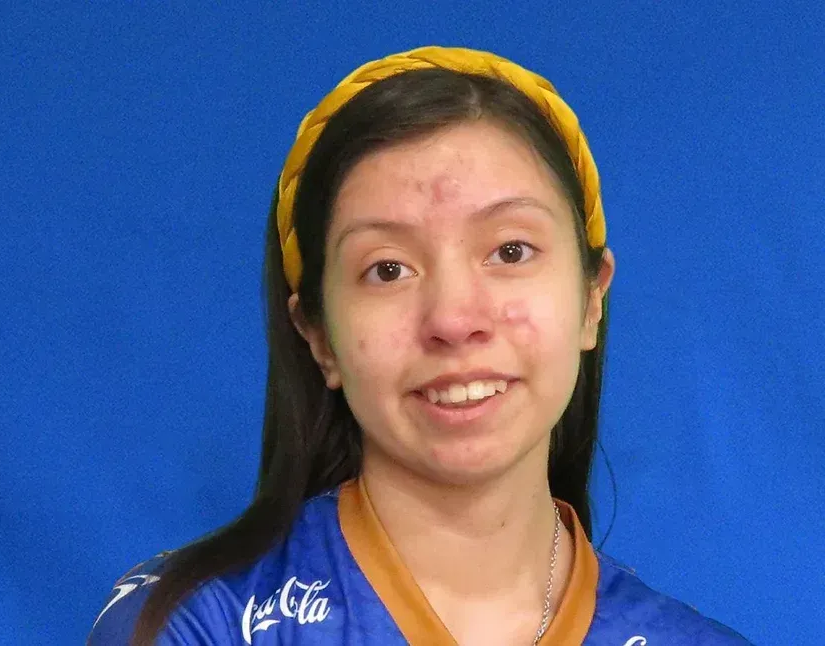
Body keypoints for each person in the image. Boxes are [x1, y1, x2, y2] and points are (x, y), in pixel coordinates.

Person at [88, 46, 750, 645]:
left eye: (510, 251)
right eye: (388, 269)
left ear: (590, 300)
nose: (454, 319)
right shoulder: (191, 626)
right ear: (318, 336)